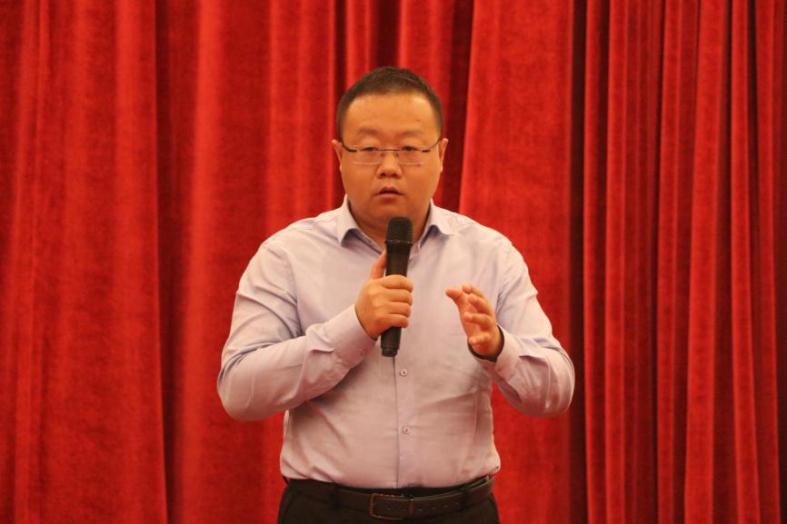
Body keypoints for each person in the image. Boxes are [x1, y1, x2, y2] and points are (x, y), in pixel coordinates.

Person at [218, 67, 575, 523]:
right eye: (369, 149)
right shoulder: (287, 256)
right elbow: (240, 392)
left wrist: (499, 348)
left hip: (460, 513)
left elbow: (555, 392)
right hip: (328, 513)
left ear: (441, 154)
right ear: (340, 156)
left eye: (409, 148)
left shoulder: (490, 254)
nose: (389, 166)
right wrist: (353, 329)